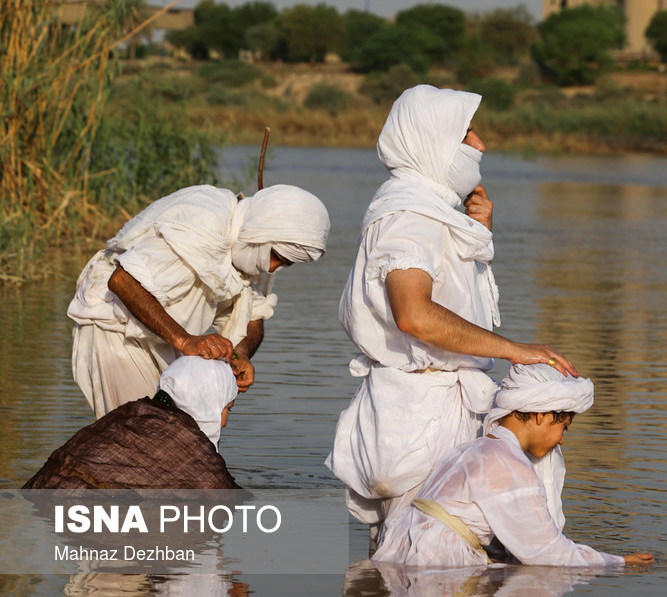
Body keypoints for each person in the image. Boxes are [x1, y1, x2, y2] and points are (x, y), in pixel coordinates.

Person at [326, 85, 576, 526]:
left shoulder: (424, 211)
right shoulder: (410, 217)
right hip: (421, 418)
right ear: (431, 142)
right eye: (467, 133)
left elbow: (444, 294)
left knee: (420, 559)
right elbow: (414, 314)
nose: (480, 144)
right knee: (424, 559)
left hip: (424, 408)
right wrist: (513, 350)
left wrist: (476, 231)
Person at [69, 183, 330, 417]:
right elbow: (123, 281)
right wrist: (185, 341)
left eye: (285, 264)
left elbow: (253, 313)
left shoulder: (254, 246)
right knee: (141, 439)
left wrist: (242, 354)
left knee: (170, 439)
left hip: (163, 335)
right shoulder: (205, 221)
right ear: (261, 232)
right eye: (276, 257)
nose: (272, 269)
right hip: (114, 326)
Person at [373, 363, 653, 568]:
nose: (562, 442)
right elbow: (546, 552)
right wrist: (618, 562)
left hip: (401, 552)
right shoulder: (510, 465)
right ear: (542, 415)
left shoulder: (471, 448)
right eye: (564, 428)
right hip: (433, 564)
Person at [23, 356, 240, 489]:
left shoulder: (128, 414)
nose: (225, 422)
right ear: (207, 401)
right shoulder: (191, 449)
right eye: (227, 408)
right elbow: (225, 497)